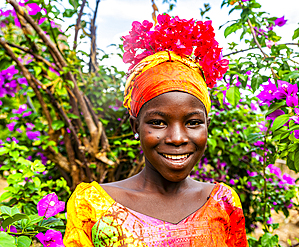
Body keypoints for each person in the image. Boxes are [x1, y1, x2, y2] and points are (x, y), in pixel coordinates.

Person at [64, 14, 248, 247]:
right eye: (158, 123)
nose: (178, 138)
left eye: (193, 122)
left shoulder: (224, 203)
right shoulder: (93, 206)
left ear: (206, 127)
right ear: (136, 127)